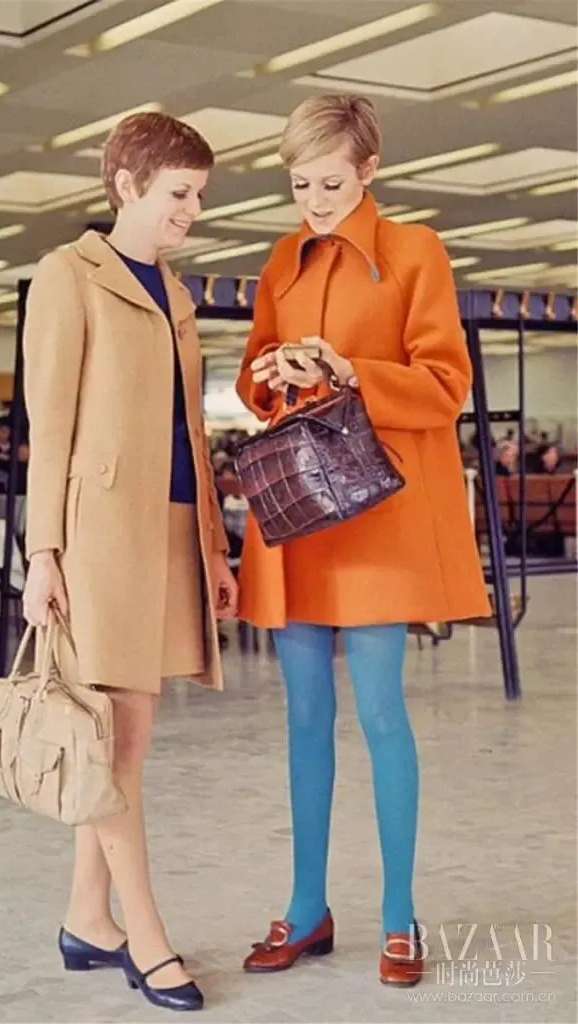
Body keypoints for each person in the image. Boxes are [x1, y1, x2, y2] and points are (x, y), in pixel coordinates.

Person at [236, 94, 490, 987]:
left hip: (376, 512)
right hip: (301, 514)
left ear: (370, 170)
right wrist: (273, 372)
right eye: (300, 184)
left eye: (331, 184)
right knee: (304, 715)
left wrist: (348, 370)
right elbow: (255, 379)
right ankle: (307, 909)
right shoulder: (280, 259)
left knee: (382, 713)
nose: (313, 201)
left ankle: (397, 917)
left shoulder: (416, 252)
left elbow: (445, 383)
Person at [22, 111, 238, 1013]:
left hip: (173, 531)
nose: (193, 209)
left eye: (199, 194)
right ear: (128, 185)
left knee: (124, 743)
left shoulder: (176, 293)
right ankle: (144, 936)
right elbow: (49, 425)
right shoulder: (68, 275)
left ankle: (86, 917)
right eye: (180, 192)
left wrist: (215, 546)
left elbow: (194, 434)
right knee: (113, 742)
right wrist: (43, 552)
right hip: (100, 536)